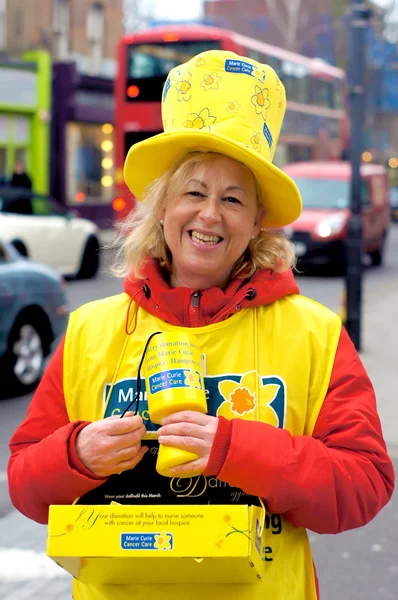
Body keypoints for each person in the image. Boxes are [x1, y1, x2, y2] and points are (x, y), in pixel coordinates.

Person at [8, 50, 394, 600]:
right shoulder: (91, 331)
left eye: (233, 199)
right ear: (162, 208)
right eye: (193, 192)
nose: (210, 215)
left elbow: (364, 486)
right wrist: (75, 456)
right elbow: (24, 486)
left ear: (257, 221)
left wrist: (238, 451)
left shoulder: (315, 333)